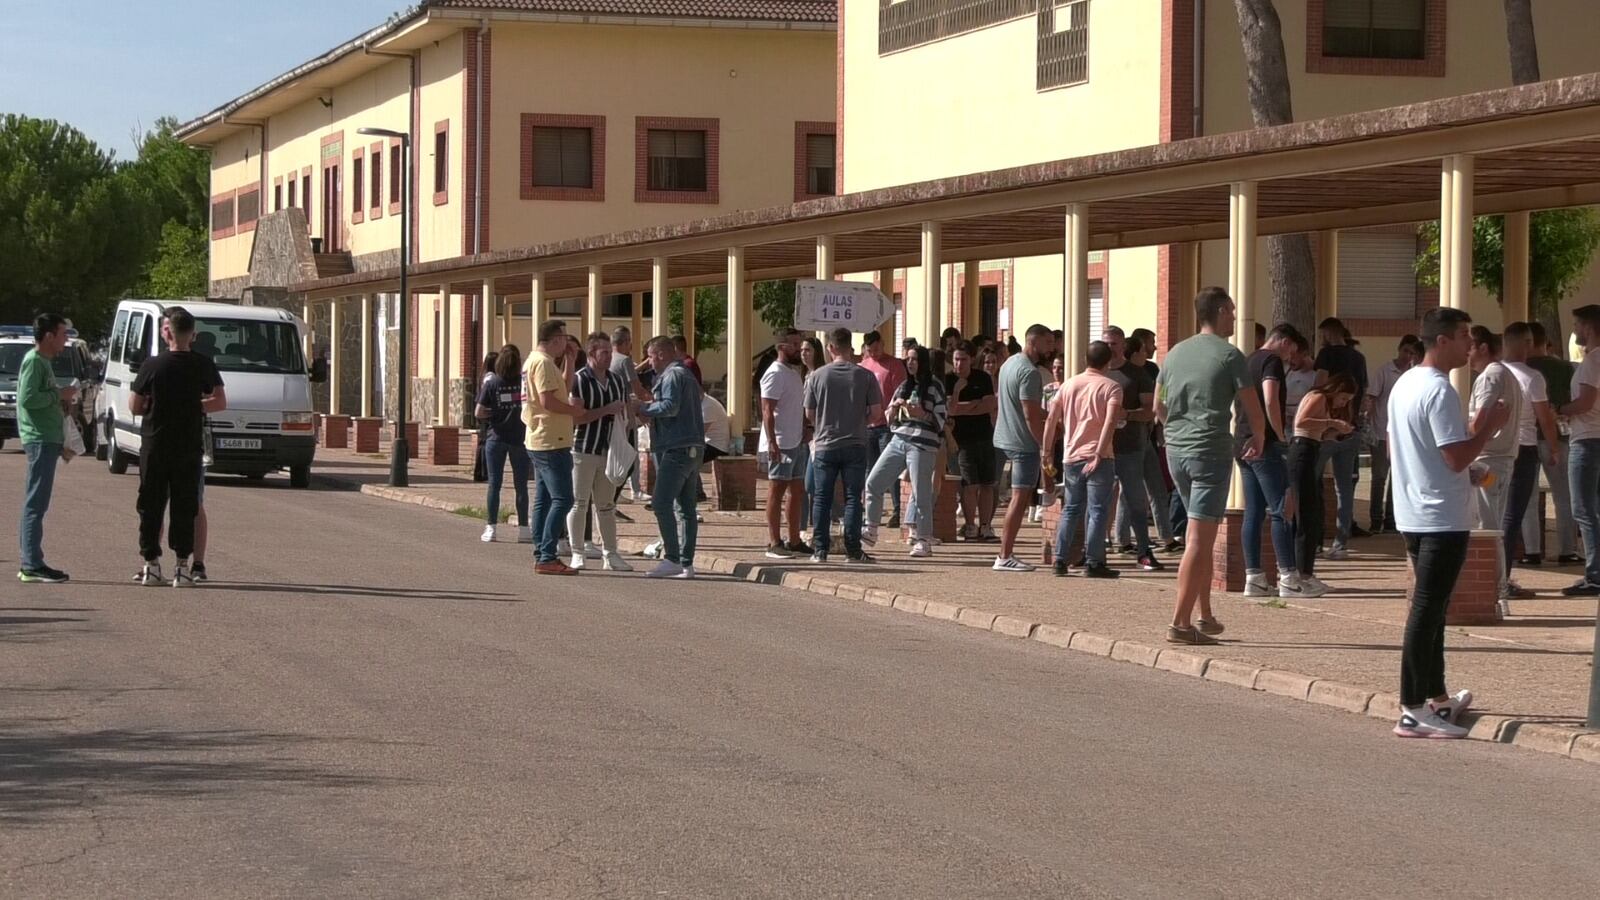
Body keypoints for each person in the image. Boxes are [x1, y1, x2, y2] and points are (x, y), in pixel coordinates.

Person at [1388, 307, 1507, 739]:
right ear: (1441, 341)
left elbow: (1431, 452)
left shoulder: (1406, 384)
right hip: (1439, 516)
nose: (1469, 345)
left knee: (1433, 608)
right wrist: (1489, 428)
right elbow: (1455, 454)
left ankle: (1436, 697)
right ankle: (1412, 707)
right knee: (1426, 610)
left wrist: (1467, 461)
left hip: (1417, 510)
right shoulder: (1438, 389)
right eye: (1462, 336)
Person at [1156, 288, 1264, 645]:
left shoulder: (1174, 353)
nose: (1235, 317)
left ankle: (1204, 613)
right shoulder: (1230, 355)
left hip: (1177, 451)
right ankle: (1180, 622)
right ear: (1219, 312)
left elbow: (1159, 406)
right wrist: (1260, 437)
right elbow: (1251, 403)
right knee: (1198, 541)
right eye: (1232, 312)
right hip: (1210, 451)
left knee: (1195, 536)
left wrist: (1174, 431)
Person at [130, 307, 226, 587]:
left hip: (155, 443)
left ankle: (151, 564)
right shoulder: (203, 364)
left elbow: (135, 405)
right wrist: (193, 406)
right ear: (192, 335)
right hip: (188, 446)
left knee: (151, 504)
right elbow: (220, 402)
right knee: (186, 505)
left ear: (167, 331)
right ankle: (183, 566)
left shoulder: (151, 365)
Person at [1042, 340, 1122, 578]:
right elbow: (1110, 422)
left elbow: (1051, 418)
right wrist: (1098, 452)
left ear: (1085, 360)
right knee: (1098, 510)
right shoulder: (1112, 387)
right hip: (1101, 456)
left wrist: (1045, 452)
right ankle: (1094, 561)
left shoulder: (1068, 385)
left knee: (1072, 508)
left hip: (1071, 454)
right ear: (1108, 362)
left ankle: (1060, 559)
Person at [1236, 323, 1306, 597]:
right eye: (1292, 352)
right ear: (1285, 342)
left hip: (1241, 441)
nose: (1290, 359)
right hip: (1264, 443)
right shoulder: (1272, 361)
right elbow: (1270, 398)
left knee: (1253, 511)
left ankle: (1254, 576)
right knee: (1281, 508)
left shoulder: (1248, 359)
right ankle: (1288, 576)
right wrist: (1278, 433)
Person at [804, 327, 883, 564]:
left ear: (830, 347)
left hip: (826, 443)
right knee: (852, 498)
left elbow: (809, 413)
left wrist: (824, 424)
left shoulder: (817, 376)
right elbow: (877, 412)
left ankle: (820, 550)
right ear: (850, 347)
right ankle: (852, 549)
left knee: (821, 497)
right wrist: (860, 422)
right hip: (856, 443)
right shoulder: (865, 376)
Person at [863, 344, 947, 558]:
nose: (910, 363)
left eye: (914, 359)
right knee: (874, 481)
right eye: (907, 359)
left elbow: (941, 419)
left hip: (922, 444)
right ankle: (871, 528)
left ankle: (923, 539)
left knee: (921, 493)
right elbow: (888, 416)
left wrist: (922, 414)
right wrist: (893, 408)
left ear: (923, 362)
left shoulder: (935, 386)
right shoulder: (904, 386)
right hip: (899, 439)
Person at [1501, 321, 1561, 607]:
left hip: (1497, 449)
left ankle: (1497, 576)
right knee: (1513, 515)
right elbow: (1544, 417)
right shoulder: (1532, 377)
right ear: (1525, 343)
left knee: (1496, 515)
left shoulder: (1492, 373)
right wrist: (1553, 446)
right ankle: (1502, 579)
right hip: (1524, 448)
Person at [16, 313, 77, 584]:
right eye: (63, 333)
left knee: (38, 502)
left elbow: (40, 396)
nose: (66, 339)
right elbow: (28, 399)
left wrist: (60, 399)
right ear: (49, 336)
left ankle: (33, 561)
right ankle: (31, 564)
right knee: (35, 503)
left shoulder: (42, 362)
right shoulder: (34, 361)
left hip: (47, 439)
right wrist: (59, 395)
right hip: (39, 439)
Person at [523, 320, 588, 576]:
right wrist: (574, 411)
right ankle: (547, 554)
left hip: (541, 438)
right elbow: (548, 400)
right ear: (555, 339)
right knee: (563, 498)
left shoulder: (536, 361)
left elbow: (561, 389)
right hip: (551, 440)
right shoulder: (543, 362)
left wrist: (570, 362)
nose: (567, 343)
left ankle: (541, 550)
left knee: (545, 498)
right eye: (564, 338)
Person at [638, 336, 705, 578]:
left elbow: (670, 407)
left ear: (662, 355)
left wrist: (642, 408)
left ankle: (672, 558)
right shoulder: (685, 374)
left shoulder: (673, 375)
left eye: (651, 356)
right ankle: (686, 563)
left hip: (677, 448)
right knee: (686, 507)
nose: (649, 362)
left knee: (661, 502)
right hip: (692, 447)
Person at [1284, 375, 1357, 599]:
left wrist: (1333, 434)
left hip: (1311, 447)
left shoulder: (1322, 401)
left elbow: (1312, 428)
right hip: (1302, 451)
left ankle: (1305, 572)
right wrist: (1331, 423)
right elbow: (1301, 422)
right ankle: (1301, 575)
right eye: (1343, 398)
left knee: (1312, 512)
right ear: (1335, 390)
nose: (1343, 403)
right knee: (1306, 514)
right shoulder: (1318, 397)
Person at [1467, 326, 1525, 601]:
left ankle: (1496, 588)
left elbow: (1479, 423)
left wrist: (1456, 428)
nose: (1466, 352)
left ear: (1482, 347)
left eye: (1470, 346)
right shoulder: (1505, 375)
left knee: (1486, 527)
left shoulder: (1491, 376)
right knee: (1491, 524)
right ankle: (1498, 585)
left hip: (1488, 461)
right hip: (1501, 460)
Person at [991, 324, 1055, 572]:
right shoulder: (1029, 372)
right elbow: (1030, 414)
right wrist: (1045, 445)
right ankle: (1005, 555)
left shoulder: (1009, 364)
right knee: (1019, 499)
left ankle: (1005, 554)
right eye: (1048, 342)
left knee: (1019, 498)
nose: (1051, 347)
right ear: (1034, 341)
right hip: (1022, 443)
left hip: (1005, 437)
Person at [566, 333, 632, 572]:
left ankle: (611, 554)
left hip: (609, 450)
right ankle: (577, 552)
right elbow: (576, 417)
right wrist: (606, 410)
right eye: (604, 352)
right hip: (583, 449)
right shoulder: (579, 380)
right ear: (592, 354)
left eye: (609, 351)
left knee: (606, 505)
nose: (608, 356)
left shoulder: (616, 380)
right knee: (579, 502)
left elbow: (624, 412)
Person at [1102, 327, 1164, 573]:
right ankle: (1093, 551)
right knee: (1099, 501)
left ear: (1122, 345)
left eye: (1114, 344)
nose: (1110, 348)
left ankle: (1143, 551)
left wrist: (1127, 414)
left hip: (1130, 447)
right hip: (1100, 449)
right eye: (1106, 343)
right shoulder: (1097, 373)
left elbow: (1150, 411)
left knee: (1135, 500)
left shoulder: (1138, 375)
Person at [1521, 322, 1581, 565]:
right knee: (1564, 496)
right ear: (1546, 342)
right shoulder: (1566, 368)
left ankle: (1532, 551)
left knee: (1528, 497)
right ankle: (1568, 550)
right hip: (1559, 435)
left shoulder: (1520, 369)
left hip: (1526, 438)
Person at [1116, 328, 1179, 555]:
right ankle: (1123, 540)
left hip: (1149, 437)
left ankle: (1166, 536)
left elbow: (1162, 396)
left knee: (1157, 487)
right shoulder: (1123, 373)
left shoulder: (1152, 370)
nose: (1154, 347)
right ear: (1139, 347)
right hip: (1129, 439)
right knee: (1129, 491)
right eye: (1151, 343)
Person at [1314, 317, 1369, 553]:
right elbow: (1363, 393)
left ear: (1328, 333)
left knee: (1312, 482)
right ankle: (1341, 542)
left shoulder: (1326, 355)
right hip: (1351, 427)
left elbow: (1319, 384)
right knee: (1344, 488)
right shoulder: (1358, 357)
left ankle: (1314, 540)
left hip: (1326, 429)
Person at [1559, 304, 1600, 596]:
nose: (1574, 331)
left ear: (1588, 327)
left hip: (1586, 440)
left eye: (1576, 325)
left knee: (1583, 510)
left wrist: (1560, 409)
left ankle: (1595, 575)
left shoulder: (1592, 362)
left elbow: (1585, 402)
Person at [760, 328, 812, 558]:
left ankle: (794, 539)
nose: (798, 349)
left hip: (797, 440)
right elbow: (767, 410)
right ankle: (774, 541)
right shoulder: (774, 373)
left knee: (797, 490)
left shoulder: (793, 372)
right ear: (782, 347)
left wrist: (804, 428)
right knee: (776, 490)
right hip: (781, 441)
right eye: (794, 344)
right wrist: (772, 442)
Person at [1364, 336, 1422, 534]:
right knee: (1379, 477)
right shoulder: (1384, 371)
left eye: (1412, 353)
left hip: (1404, 435)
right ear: (1399, 350)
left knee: (1398, 478)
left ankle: (1391, 520)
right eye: (1406, 351)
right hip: (1382, 431)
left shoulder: (1416, 374)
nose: (1408, 356)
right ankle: (1375, 519)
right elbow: (1371, 398)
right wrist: (1368, 425)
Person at [475, 344, 530, 543]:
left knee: (494, 484)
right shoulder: (523, 382)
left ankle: (491, 527)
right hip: (519, 438)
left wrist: (494, 414)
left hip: (496, 438)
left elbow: (478, 412)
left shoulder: (492, 383)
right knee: (521, 485)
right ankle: (524, 529)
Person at [945, 341, 998, 541]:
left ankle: (985, 526)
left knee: (987, 484)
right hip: (962, 441)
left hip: (985, 436)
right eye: (956, 359)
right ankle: (969, 525)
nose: (960, 364)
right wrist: (960, 394)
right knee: (969, 485)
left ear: (972, 360)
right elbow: (950, 410)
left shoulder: (982, 378)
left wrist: (963, 408)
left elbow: (990, 404)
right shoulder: (948, 380)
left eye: (964, 359)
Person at [860, 331, 908, 530]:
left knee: (891, 470)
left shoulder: (895, 365)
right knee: (869, 470)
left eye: (877, 349)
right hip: (868, 426)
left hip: (887, 427)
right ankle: (870, 512)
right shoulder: (863, 366)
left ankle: (897, 509)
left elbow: (900, 392)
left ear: (883, 344)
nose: (874, 353)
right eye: (870, 350)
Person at [610, 326, 650, 515]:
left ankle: (615, 494)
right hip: (625, 413)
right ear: (625, 343)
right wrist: (651, 400)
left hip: (610, 413)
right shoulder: (624, 361)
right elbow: (636, 386)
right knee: (630, 452)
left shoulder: (608, 359)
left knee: (615, 454)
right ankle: (630, 491)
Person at [473, 351, 498, 483]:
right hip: (486, 412)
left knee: (483, 443)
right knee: (484, 444)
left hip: (483, 412)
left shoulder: (484, 376)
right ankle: (482, 472)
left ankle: (481, 472)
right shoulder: (491, 378)